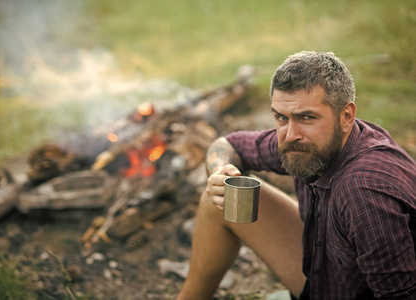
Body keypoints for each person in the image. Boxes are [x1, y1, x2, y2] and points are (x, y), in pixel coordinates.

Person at [177, 51, 416, 299]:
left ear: (346, 116)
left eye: (307, 117)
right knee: (219, 199)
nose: (290, 134)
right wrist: (219, 172)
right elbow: (229, 144)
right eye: (281, 117)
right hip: (328, 277)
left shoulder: (363, 190)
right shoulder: (307, 143)